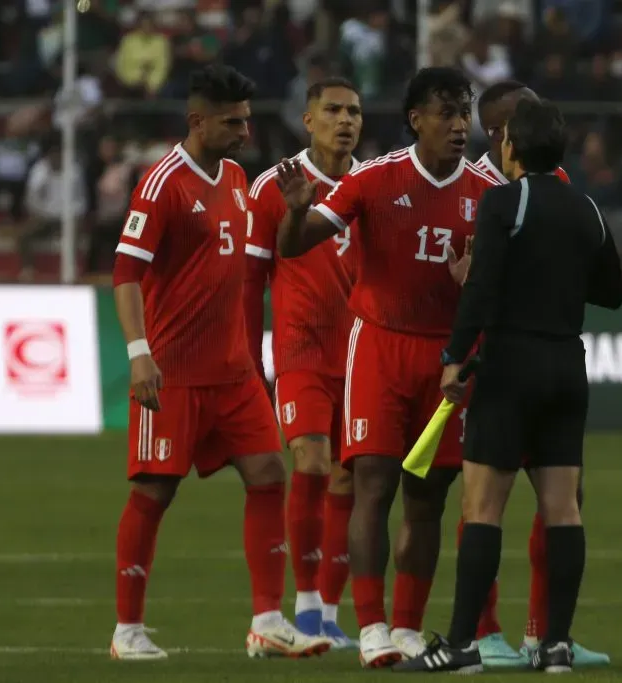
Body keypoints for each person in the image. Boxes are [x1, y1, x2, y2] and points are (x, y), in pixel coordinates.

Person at [274, 66, 497, 668]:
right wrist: (296, 212)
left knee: (429, 499)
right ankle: (369, 625)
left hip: (447, 360)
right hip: (377, 346)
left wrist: (475, 290)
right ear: (415, 119)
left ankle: (406, 627)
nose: (459, 125)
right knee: (373, 482)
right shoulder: (375, 179)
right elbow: (296, 244)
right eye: (445, 113)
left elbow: (498, 286)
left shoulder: (485, 191)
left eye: (465, 111)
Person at [393, 99, 622, 675]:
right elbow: (614, 291)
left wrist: (454, 356)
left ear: (510, 149)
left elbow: (483, 287)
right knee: (562, 509)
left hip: (510, 362)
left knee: (483, 507)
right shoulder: (586, 208)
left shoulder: (504, 199)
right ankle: (556, 646)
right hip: (569, 364)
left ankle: (462, 646)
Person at [108, 65, 331, 661]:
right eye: (232, 122)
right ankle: (127, 630)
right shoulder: (161, 186)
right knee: (154, 493)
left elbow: (274, 251)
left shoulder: (236, 177)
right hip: (174, 372)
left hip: (234, 373)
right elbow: (126, 274)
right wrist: (139, 356)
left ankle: (266, 621)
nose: (244, 131)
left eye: (247, 119)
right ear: (197, 120)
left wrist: (295, 211)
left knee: (269, 476)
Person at [466, 78, 609, 669]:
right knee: (481, 498)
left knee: (561, 495)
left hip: (539, 355)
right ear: (499, 130)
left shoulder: (555, 185)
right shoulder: (476, 186)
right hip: (490, 359)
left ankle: (544, 631)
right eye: (522, 114)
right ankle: (483, 631)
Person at [243, 76, 363, 649]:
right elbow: (250, 280)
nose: (346, 120)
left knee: (350, 477)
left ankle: (332, 615)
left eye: (354, 112)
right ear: (307, 120)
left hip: (363, 354)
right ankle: (307, 604)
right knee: (312, 464)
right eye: (333, 110)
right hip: (300, 349)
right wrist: (248, 358)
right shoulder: (274, 186)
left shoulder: (374, 183)